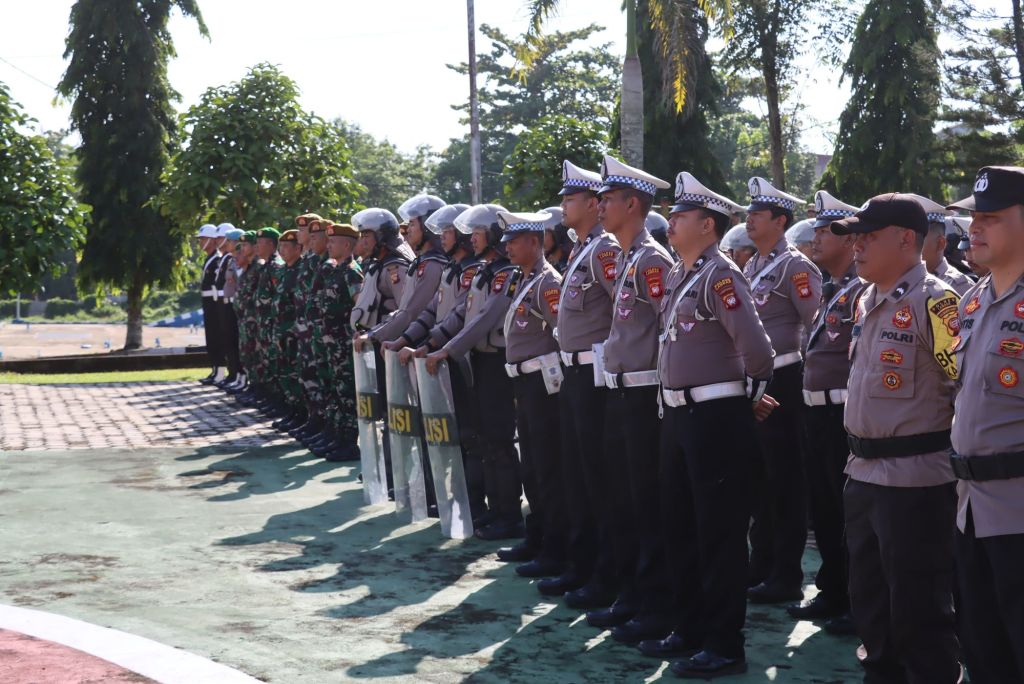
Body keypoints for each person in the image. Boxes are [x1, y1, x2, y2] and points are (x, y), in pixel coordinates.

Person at [644, 170, 773, 678]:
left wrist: (743, 401)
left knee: (719, 535)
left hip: (714, 419)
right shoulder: (683, 273)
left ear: (707, 225)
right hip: (678, 415)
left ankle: (724, 644)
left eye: (681, 215)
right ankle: (690, 628)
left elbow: (759, 352)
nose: (671, 222)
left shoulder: (721, 276)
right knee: (679, 527)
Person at [831, 194, 962, 683]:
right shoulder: (867, 298)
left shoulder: (937, 303)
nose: (857, 247)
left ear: (906, 239)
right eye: (856, 237)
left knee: (918, 611)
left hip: (915, 482)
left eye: (868, 237)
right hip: (863, 473)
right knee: (870, 603)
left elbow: (966, 387)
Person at [585, 155, 674, 636]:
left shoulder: (652, 260)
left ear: (633, 205)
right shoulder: (625, 257)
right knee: (621, 500)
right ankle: (632, 595)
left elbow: (669, 327)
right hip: (619, 394)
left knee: (646, 505)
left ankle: (655, 605)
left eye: (607, 200)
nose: (599, 207)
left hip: (644, 396)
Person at [946, 166, 1024, 683]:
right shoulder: (972, 300)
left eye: (991, 217)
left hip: (1018, 513)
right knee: (983, 651)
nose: (975, 227)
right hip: (970, 510)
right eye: (974, 217)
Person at [537, 160, 621, 608]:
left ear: (592, 204)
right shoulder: (581, 249)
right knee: (575, 475)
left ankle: (604, 575)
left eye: (571, 199)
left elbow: (624, 311)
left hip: (595, 376)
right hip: (571, 372)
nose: (564, 206)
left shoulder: (605, 250)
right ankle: (580, 565)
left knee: (597, 480)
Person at [786, 190, 864, 635]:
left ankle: (855, 598)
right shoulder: (831, 288)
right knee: (825, 507)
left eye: (825, 231)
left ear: (850, 240)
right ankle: (833, 590)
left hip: (841, 413)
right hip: (815, 411)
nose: (815, 238)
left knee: (846, 510)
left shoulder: (861, 290)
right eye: (814, 230)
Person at [743, 176, 822, 604]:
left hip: (784, 380)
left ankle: (786, 574)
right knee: (758, 479)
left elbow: (818, 328)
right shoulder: (752, 266)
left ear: (780, 221)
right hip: (754, 381)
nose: (750, 219)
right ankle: (761, 564)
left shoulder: (796, 267)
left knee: (784, 480)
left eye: (759, 213)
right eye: (750, 212)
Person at [424, 204, 523, 540]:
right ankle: (493, 510)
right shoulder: (484, 271)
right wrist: (430, 342)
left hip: (497, 364)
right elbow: (460, 314)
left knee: (499, 441)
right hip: (477, 362)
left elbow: (485, 320)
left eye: (478, 233)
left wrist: (446, 349)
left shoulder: (507, 274)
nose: (472, 239)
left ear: (493, 234)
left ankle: (510, 515)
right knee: (483, 439)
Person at [400, 204, 487, 526]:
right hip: (444, 357)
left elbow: (459, 316)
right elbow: (432, 311)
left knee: (469, 435)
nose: (443, 236)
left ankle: (472, 501)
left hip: (463, 361)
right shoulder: (453, 268)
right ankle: (453, 496)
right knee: (447, 430)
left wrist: (430, 345)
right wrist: (409, 340)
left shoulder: (473, 271)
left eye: (449, 231)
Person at [498, 209, 565, 577]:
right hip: (523, 382)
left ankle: (554, 547)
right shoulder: (522, 279)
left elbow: (562, 334)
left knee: (546, 467)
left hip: (543, 384)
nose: (507, 247)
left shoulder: (547, 283)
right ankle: (536, 537)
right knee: (531, 467)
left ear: (535, 243)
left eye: (514, 241)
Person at [314, 222, 362, 461]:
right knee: (336, 392)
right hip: (331, 344)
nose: (329, 245)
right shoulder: (334, 270)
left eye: (333, 242)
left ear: (346, 245)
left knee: (347, 394)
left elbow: (360, 306)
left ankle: (350, 443)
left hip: (344, 344)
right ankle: (338, 436)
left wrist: (357, 334)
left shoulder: (352, 272)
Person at [271, 229, 307, 432]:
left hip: (294, 332)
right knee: (284, 373)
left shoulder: (301, 270)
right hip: (281, 332)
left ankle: (302, 414)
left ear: (298, 249)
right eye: (281, 246)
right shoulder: (282, 271)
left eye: (286, 246)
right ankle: (292, 410)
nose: (282, 250)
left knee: (296, 374)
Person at [908, 194, 974, 296]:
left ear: (940, 243)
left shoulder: (959, 286)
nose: (908, 248)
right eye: (906, 241)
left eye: (918, 242)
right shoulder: (905, 280)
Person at [213, 224, 243, 389]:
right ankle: (234, 375)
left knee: (236, 341)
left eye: (230, 241)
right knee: (229, 341)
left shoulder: (238, 260)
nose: (227, 243)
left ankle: (239, 376)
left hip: (235, 305)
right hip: (229, 302)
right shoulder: (231, 259)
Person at [197, 223, 225, 385]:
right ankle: (215, 369)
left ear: (212, 240)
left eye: (203, 239)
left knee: (217, 336)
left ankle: (220, 372)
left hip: (215, 303)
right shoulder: (210, 259)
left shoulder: (218, 259)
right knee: (211, 337)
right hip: (209, 303)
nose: (200, 242)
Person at [542, 207, 573, 273]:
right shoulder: (544, 266)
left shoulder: (573, 266)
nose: (539, 238)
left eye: (544, 234)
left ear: (557, 235)